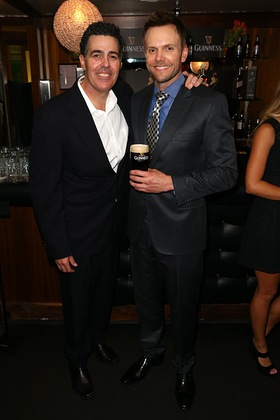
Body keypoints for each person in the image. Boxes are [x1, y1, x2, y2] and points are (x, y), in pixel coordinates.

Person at [29, 21, 201, 400]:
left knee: (103, 295)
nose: (104, 64)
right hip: (73, 233)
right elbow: (44, 190)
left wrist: (191, 80)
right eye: (96, 55)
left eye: (112, 55)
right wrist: (57, 245)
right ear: (81, 60)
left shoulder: (126, 96)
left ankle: (97, 339)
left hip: (118, 228)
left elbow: (168, 97)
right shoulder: (54, 116)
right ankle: (76, 358)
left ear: (121, 62)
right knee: (76, 303)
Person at [120, 12, 238, 411]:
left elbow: (226, 173)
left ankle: (184, 366)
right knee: (146, 300)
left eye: (168, 48)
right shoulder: (136, 101)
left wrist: (172, 183)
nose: (159, 57)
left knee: (185, 308)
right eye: (151, 49)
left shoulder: (209, 101)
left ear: (185, 52)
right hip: (141, 226)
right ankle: (151, 352)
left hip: (184, 227)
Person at [239, 82, 280, 377]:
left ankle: (260, 330)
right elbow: (252, 184)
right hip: (271, 221)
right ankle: (260, 343)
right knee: (267, 292)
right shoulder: (269, 129)